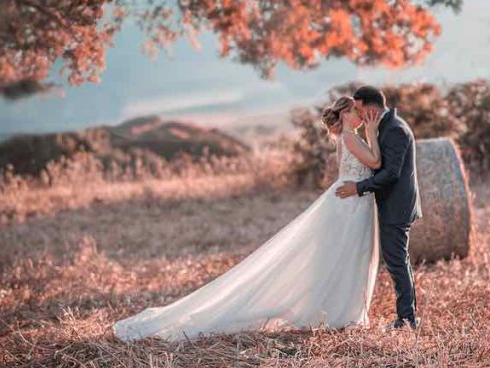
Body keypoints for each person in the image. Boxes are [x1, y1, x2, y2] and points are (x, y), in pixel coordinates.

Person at [112, 96, 381, 342]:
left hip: (350, 200)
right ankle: (340, 314)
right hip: (350, 203)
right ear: (345, 114)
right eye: (357, 112)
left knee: (344, 256)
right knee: (347, 254)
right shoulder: (351, 137)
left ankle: (340, 312)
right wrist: (371, 132)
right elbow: (376, 162)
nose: (361, 116)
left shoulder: (345, 138)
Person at [336, 85, 422, 329]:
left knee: (396, 262)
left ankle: (407, 319)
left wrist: (359, 187)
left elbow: (390, 174)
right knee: (398, 260)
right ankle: (407, 317)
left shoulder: (395, 130)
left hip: (397, 206)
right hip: (390, 204)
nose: (357, 113)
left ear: (366, 106)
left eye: (357, 108)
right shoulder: (383, 126)